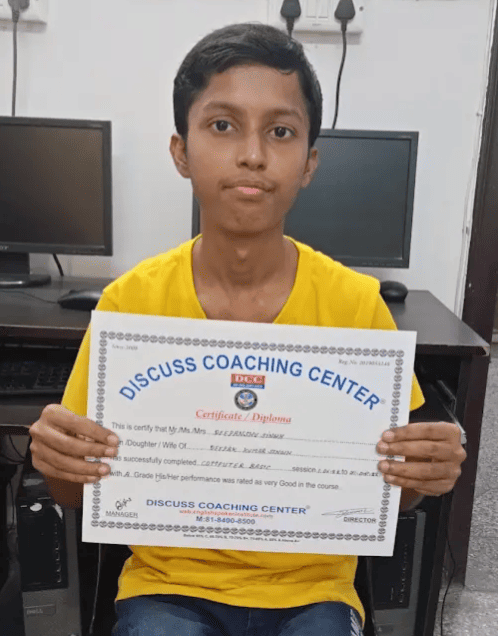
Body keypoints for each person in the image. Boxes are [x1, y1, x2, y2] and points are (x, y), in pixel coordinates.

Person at [29, 23, 467, 636]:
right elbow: (75, 490)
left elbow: (393, 489)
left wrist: (423, 474)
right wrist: (57, 461)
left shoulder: (355, 305)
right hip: (167, 586)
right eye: (222, 125)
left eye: (280, 132)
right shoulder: (131, 304)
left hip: (314, 591)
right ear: (181, 151)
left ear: (309, 163)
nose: (253, 155)